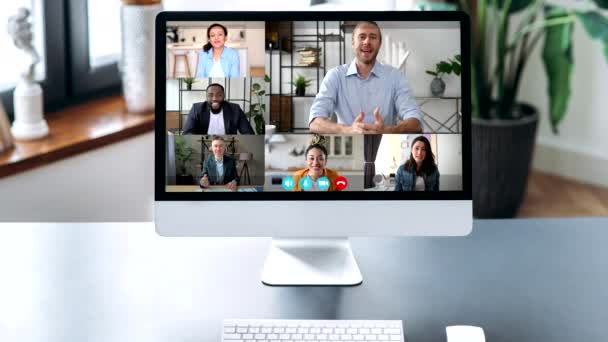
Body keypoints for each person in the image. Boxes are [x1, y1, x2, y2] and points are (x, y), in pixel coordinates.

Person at [309, 21, 422, 134]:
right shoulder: (335, 76)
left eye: (373, 37)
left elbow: (415, 120)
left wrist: (389, 130)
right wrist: (347, 130)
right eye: (362, 37)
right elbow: (315, 122)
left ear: (379, 44)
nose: (367, 41)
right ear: (353, 43)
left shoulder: (396, 76)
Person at [182, 83, 254, 135]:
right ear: (206, 97)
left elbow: (248, 133)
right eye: (210, 95)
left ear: (224, 96)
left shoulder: (235, 109)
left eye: (219, 95)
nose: (215, 99)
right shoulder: (196, 108)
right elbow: (187, 133)